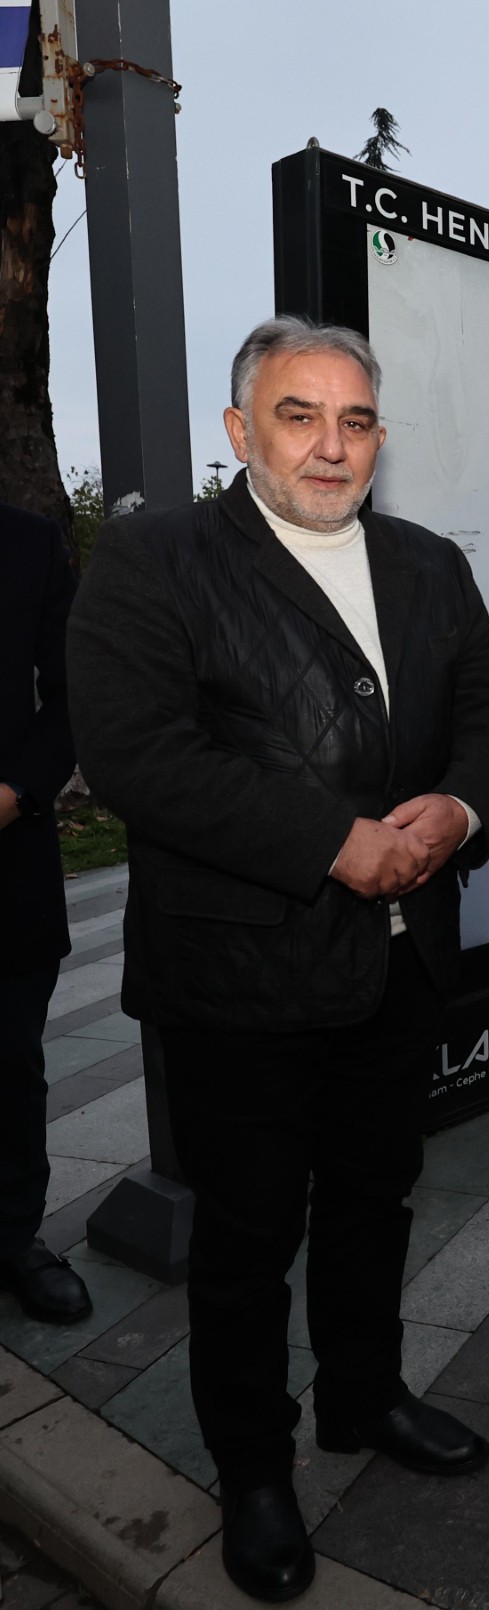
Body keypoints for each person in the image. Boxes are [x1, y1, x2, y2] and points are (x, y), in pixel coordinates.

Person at [67, 316, 489, 1604]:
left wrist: (460, 812)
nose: (332, 445)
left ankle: (363, 1398)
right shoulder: (159, 557)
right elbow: (139, 751)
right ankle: (254, 1468)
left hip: (399, 964)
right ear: (239, 431)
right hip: (240, 979)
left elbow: (484, 715)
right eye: (300, 415)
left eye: (356, 418)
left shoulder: (429, 564)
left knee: (379, 1199)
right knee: (250, 1234)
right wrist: (333, 840)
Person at [0, 502, 91, 1327]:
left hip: (3, 868)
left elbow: (73, 695)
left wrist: (16, 789)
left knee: (10, 1070)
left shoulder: (26, 542)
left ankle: (14, 1239)